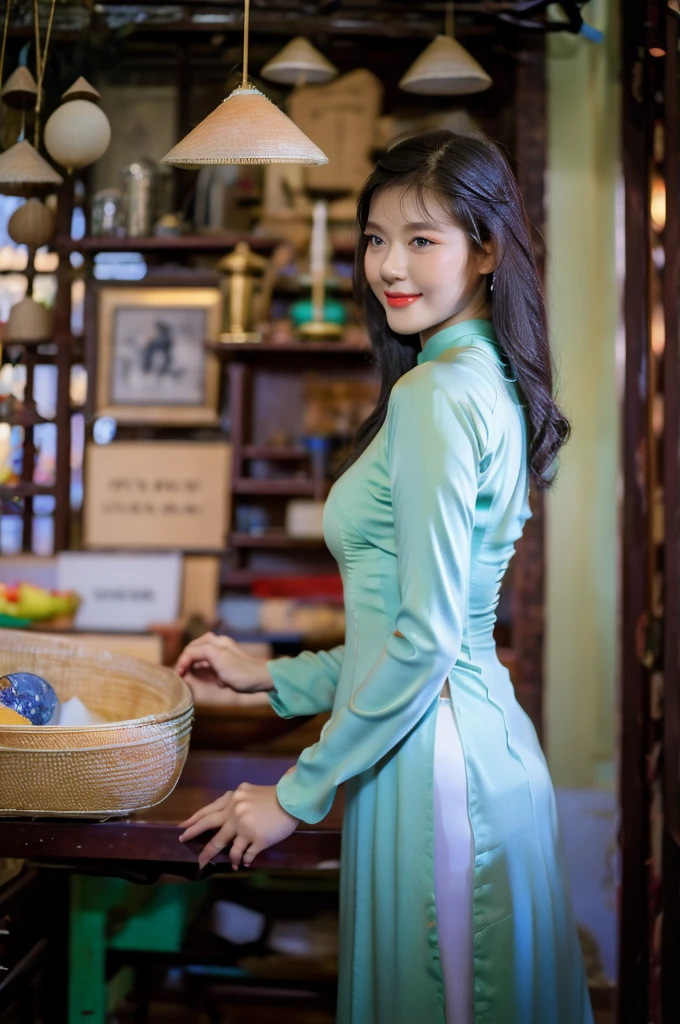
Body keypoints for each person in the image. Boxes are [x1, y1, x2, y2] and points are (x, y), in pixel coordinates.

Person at [175, 130, 594, 1024]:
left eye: (422, 239)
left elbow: (429, 641)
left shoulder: (435, 395)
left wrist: (295, 794)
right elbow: (419, 627)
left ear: (486, 251)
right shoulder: (483, 379)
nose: (389, 266)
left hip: (437, 767)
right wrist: (272, 675)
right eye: (374, 239)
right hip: (464, 745)